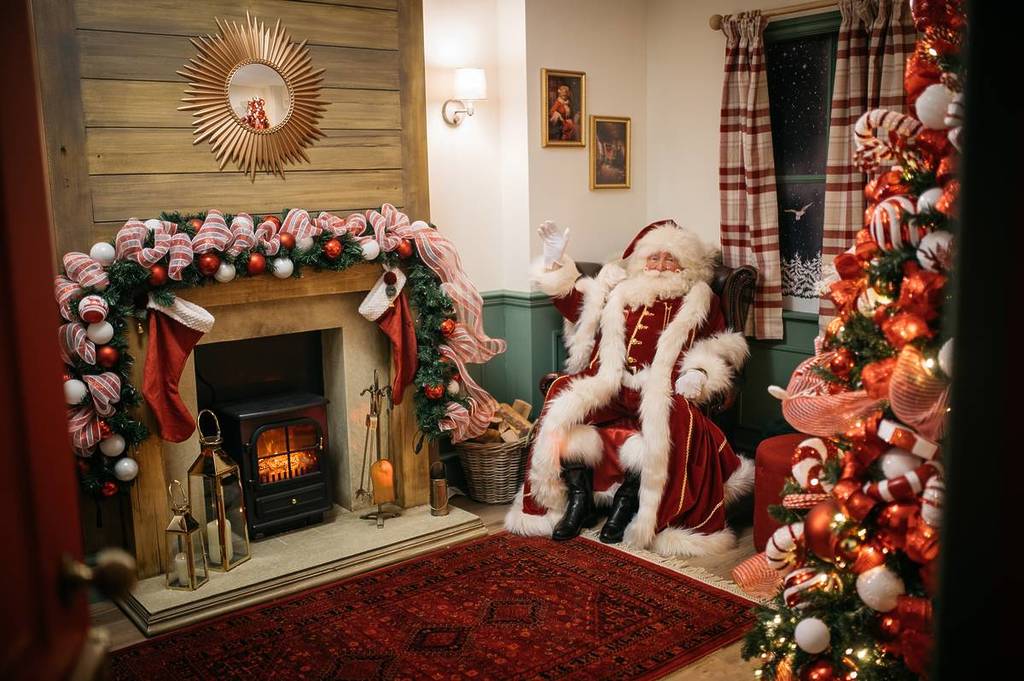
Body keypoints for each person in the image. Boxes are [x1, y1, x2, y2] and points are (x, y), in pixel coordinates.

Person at [504, 219, 755, 557]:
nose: (660, 265)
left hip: (657, 387)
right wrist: (555, 261)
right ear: (641, 262)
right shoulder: (621, 291)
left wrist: (698, 372)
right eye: (654, 258)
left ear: (686, 265)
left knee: (675, 415)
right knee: (562, 393)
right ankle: (575, 500)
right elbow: (575, 306)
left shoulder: (700, 299)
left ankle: (628, 502)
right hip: (612, 384)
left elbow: (719, 345)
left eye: (670, 259)